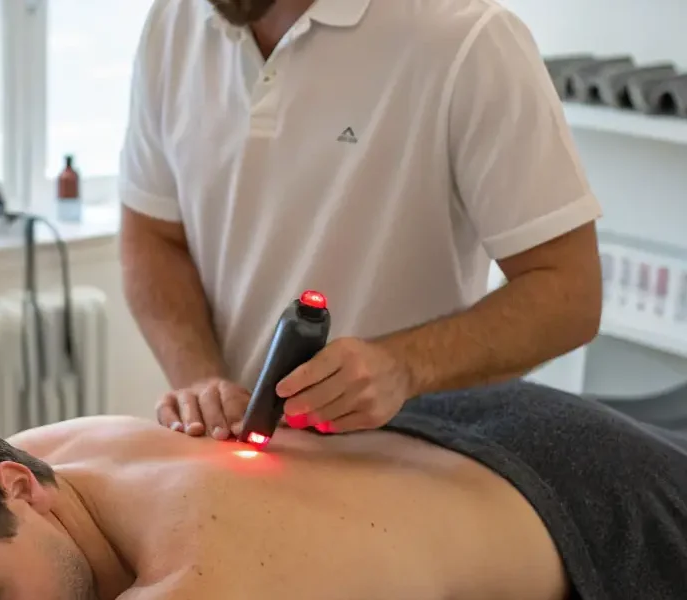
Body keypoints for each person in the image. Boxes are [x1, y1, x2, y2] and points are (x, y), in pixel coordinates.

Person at [118, 0, 604, 439]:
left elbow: (569, 293)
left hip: (414, 469)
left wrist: (404, 366)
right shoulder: (174, 21)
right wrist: (203, 381)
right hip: (238, 460)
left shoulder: (468, 40)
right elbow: (153, 237)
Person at [0, 380, 687, 600]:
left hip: (599, 504)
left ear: (21, 488)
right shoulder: (23, 466)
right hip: (449, 434)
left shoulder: (204, 577)